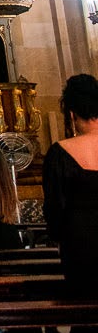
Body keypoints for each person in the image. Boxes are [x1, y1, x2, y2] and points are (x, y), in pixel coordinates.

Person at [43, 73, 98, 299]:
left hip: (81, 247)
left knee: (85, 315)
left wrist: (57, 235)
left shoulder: (60, 153)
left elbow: (54, 207)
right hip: (78, 243)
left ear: (72, 114)